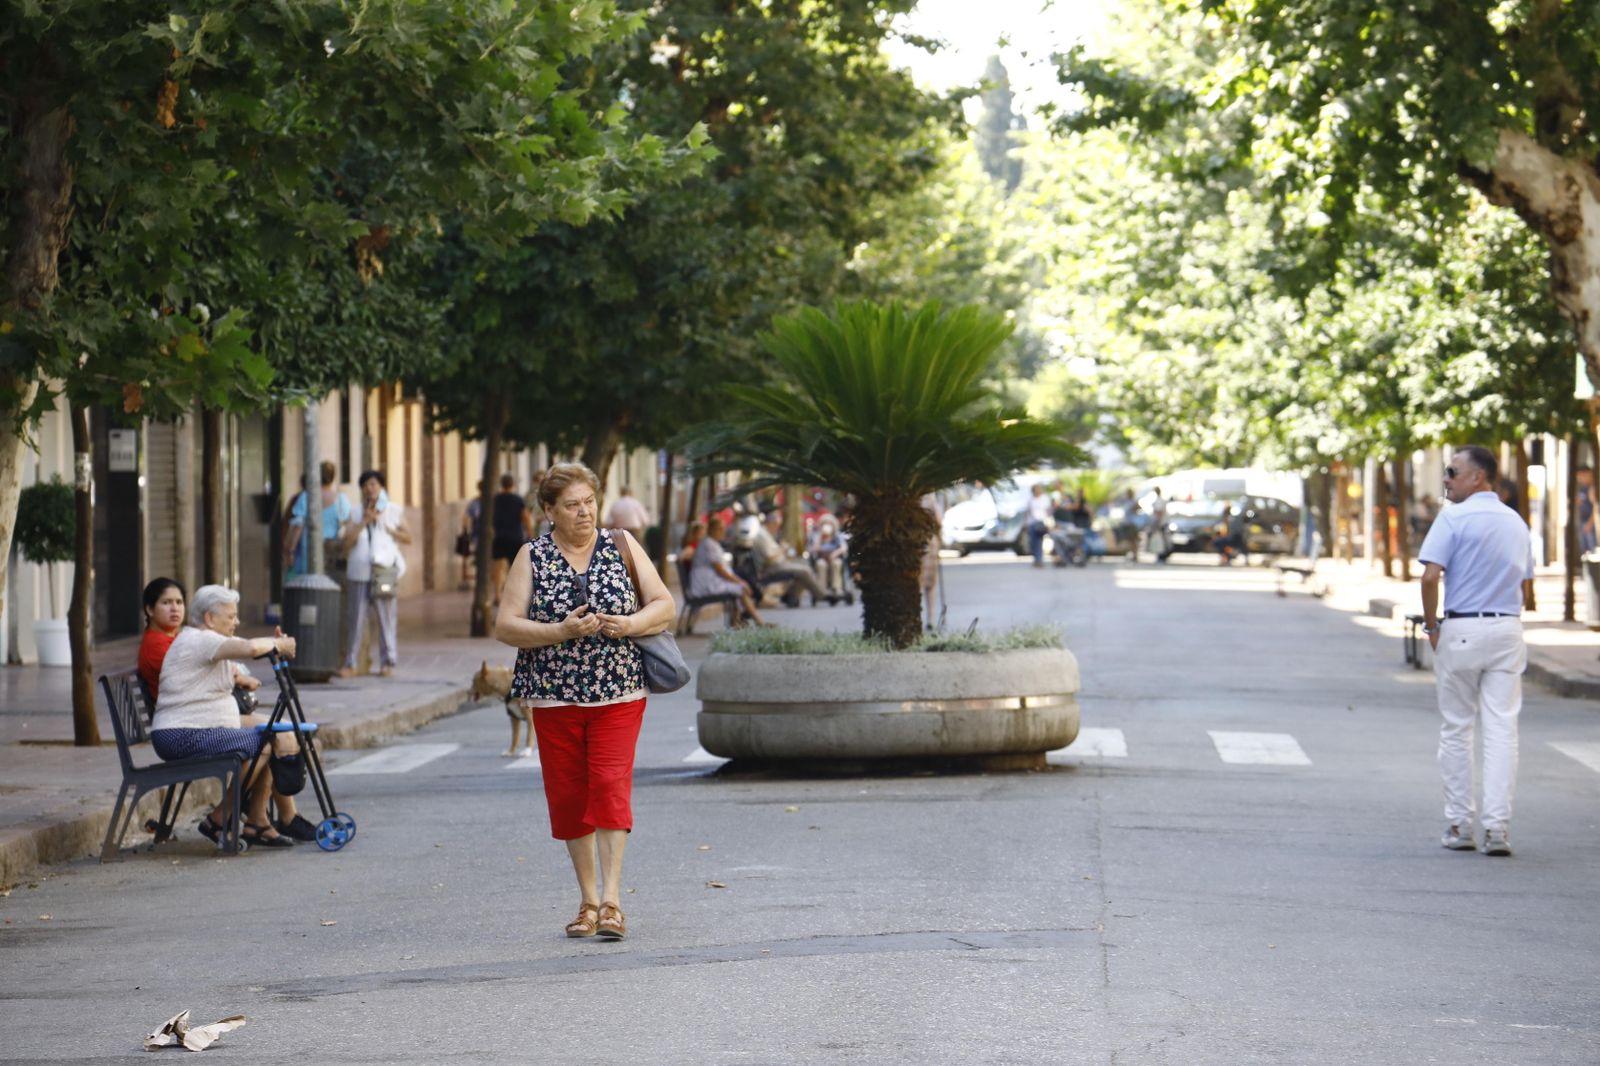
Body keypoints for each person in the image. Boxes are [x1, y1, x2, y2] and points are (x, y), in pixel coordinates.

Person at [494, 462, 676, 941]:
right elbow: (505, 625)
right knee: (570, 796)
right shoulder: (531, 556)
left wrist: (630, 624)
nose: (584, 512)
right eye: (572, 505)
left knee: (609, 785)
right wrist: (560, 631)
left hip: (619, 693)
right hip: (553, 699)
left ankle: (613, 901)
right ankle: (588, 901)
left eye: (589, 502)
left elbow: (664, 603)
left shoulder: (621, 544)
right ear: (549, 510)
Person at [1418, 445, 1535, 857]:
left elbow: (1431, 575)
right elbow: (1526, 583)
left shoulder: (1453, 517)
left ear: (1478, 478)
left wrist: (1431, 625)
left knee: (1457, 728)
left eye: (1453, 471)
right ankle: (1497, 829)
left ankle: (1458, 823)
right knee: (1503, 730)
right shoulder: (1516, 523)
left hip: (1462, 627)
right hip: (1506, 626)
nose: (1446, 478)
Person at [139, 578, 320, 843]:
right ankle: (220, 817)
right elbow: (248, 648)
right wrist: (277, 644)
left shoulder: (208, 639)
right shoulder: (201, 639)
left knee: (272, 731)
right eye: (231, 616)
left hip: (201, 726)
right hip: (181, 734)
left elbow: (247, 649)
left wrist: (272, 646)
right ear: (210, 618)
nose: (236, 622)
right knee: (263, 743)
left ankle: (258, 821)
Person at [338, 469, 410, 678]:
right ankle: (350, 662)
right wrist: (365, 521)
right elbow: (347, 541)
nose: (370, 489)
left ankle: (388, 662)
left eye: (374, 485)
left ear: (381, 487)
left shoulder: (393, 511)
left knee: (386, 617)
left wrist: (388, 529)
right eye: (367, 485)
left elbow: (408, 537)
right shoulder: (355, 512)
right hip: (359, 571)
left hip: (383, 571)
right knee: (356, 619)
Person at [688, 516, 770, 626]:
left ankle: (738, 621)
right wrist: (740, 582)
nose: (723, 531)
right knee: (741, 588)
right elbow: (720, 570)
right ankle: (757, 622)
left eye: (723, 528)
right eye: (720, 529)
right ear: (712, 530)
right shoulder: (709, 544)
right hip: (706, 585)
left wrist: (739, 582)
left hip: (711, 582)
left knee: (740, 587)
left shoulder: (712, 543)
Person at [284, 461, 353, 580]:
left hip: (309, 551)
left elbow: (298, 526)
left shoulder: (306, 497)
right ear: (333, 478)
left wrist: (290, 551)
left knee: (308, 586)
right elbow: (350, 525)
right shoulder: (341, 500)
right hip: (331, 554)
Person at [753, 510, 833, 605]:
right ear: (771, 523)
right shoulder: (762, 535)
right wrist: (782, 549)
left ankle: (793, 596)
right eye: (777, 525)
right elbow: (770, 557)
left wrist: (784, 551)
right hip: (771, 568)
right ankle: (822, 595)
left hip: (778, 564)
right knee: (804, 570)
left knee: (803, 563)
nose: (777, 528)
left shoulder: (767, 534)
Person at [491, 473, 535, 598]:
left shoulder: (496, 499)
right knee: (515, 568)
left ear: (502, 485)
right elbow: (525, 517)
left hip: (499, 536)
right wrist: (530, 534)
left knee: (498, 567)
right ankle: (514, 595)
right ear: (513, 484)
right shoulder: (518, 500)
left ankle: (498, 595)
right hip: (515, 537)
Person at [807, 516, 849, 603]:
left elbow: (844, 548)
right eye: (825, 524)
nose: (827, 525)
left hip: (834, 558)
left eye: (829, 523)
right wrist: (820, 538)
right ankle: (822, 589)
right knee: (821, 564)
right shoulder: (817, 536)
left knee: (836, 564)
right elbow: (812, 549)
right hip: (822, 558)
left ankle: (837, 588)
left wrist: (835, 553)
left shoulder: (837, 536)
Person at [1026, 483, 1051, 567]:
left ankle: (1039, 559)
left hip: (1042, 522)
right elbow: (1028, 512)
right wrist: (1026, 524)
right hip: (1032, 523)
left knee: (1039, 541)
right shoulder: (1030, 499)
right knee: (1033, 542)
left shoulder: (1045, 498)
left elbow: (1048, 511)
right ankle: (1036, 559)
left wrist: (1049, 522)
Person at [1146, 487, 1171, 562]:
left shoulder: (1159, 501)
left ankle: (1162, 556)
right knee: (1160, 540)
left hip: (1160, 523)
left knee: (1160, 540)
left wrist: (1157, 523)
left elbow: (1159, 512)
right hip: (1161, 522)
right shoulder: (1160, 500)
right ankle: (1161, 555)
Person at [1578, 466, 1596, 554]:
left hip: (1590, 523)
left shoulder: (1593, 488)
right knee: (1585, 552)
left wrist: (1590, 523)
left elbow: (1596, 508)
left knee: (1592, 552)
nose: (1580, 479)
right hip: (1583, 521)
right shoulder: (1583, 488)